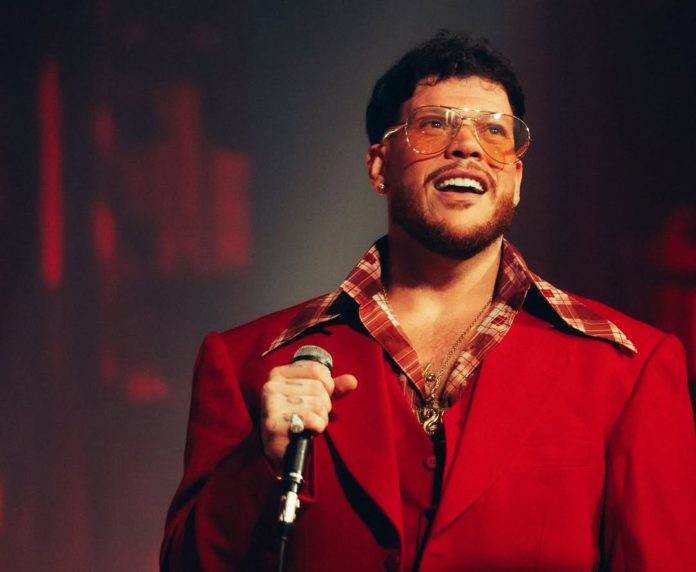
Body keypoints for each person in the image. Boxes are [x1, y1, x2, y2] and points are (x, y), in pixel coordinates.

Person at [160, 31, 696, 571]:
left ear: (516, 179)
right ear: (380, 166)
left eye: (494, 131)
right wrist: (260, 464)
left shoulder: (628, 372)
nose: (467, 146)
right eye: (434, 125)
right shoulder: (248, 364)